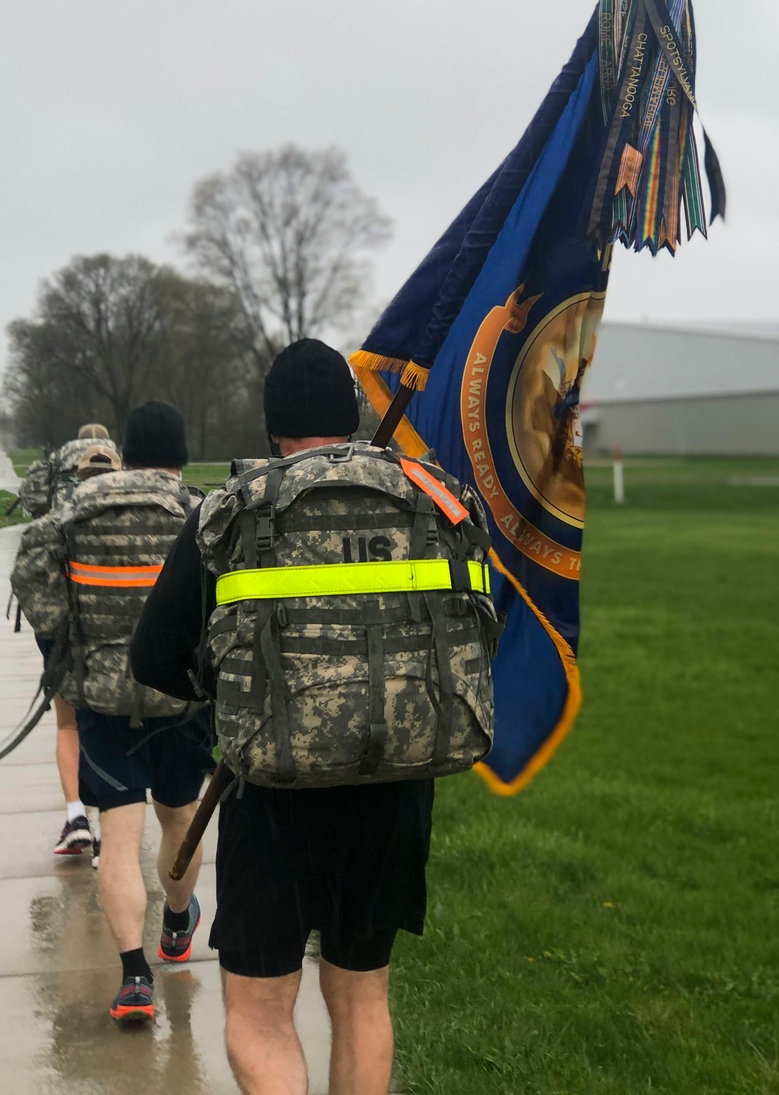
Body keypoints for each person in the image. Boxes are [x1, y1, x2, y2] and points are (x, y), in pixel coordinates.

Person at [131, 341, 496, 1095]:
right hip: (395, 790)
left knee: (261, 1010)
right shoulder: (436, 496)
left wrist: (221, 679)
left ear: (272, 432)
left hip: (273, 798)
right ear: (353, 414)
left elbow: (153, 657)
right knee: (363, 998)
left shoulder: (232, 510)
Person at [11, 402, 215, 1024]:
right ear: (180, 456)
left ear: (126, 451)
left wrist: (67, 644)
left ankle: (133, 979)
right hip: (181, 701)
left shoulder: (77, 506)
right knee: (179, 821)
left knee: (118, 840)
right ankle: (177, 920)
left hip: (103, 702)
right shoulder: (199, 511)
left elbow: (30, 576)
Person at [17, 423, 121, 861]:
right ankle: (106, 832)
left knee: (68, 724)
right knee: (112, 727)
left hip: (67, 626)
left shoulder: (62, 485)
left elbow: (31, 524)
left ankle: (76, 816)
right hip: (117, 628)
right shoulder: (122, 487)